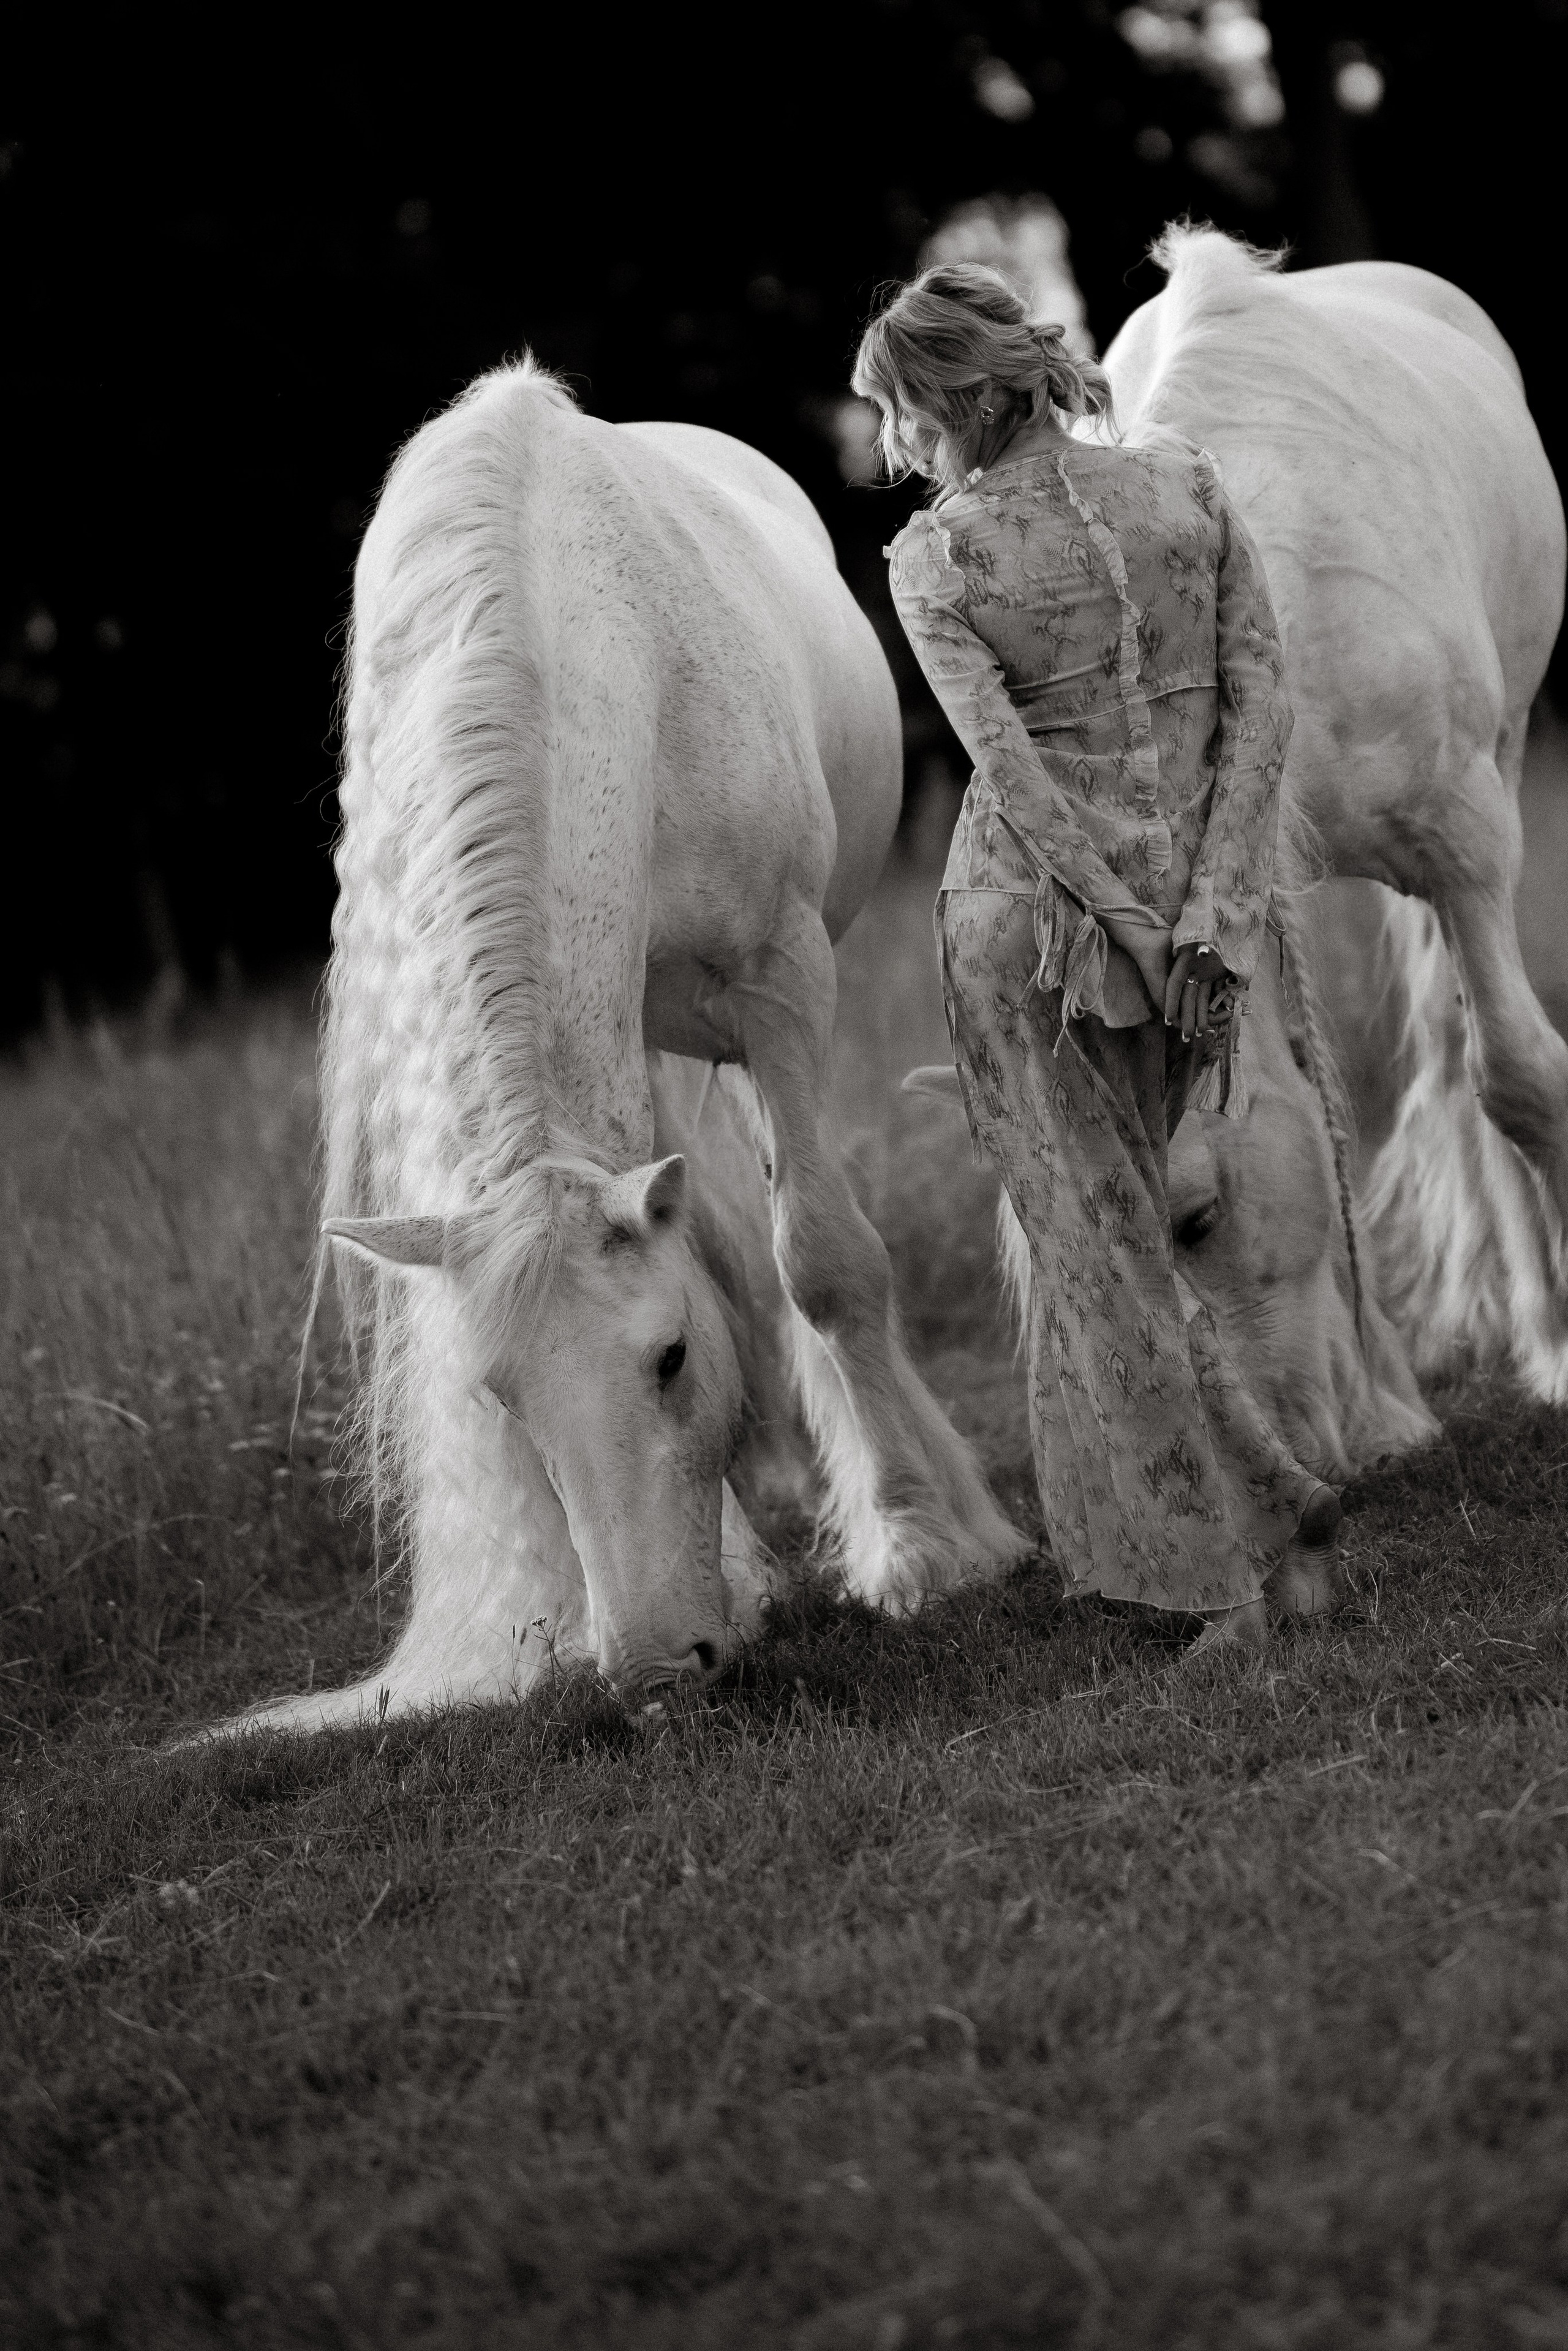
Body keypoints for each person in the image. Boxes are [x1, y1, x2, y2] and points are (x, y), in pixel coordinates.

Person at [853, 262, 1341, 1655]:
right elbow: (1262, 701)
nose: (895, 448)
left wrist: (1129, 932)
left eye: (897, 413)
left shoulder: (937, 557)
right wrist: (1203, 918)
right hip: (1194, 928)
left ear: (952, 399)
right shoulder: (1179, 483)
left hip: (1031, 942)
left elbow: (1006, 771)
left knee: (1105, 1260)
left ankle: (1241, 1562)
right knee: (1138, 1242)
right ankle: (1248, 1531)